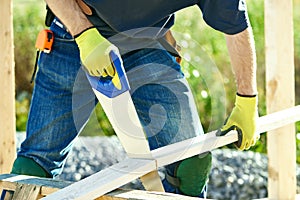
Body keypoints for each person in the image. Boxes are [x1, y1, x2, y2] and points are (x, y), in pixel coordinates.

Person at [6, 0, 259, 198]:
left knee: (191, 164)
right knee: (33, 169)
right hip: (72, 37)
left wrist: (247, 100)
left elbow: (236, 26)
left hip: (147, 44)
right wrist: (84, 34)